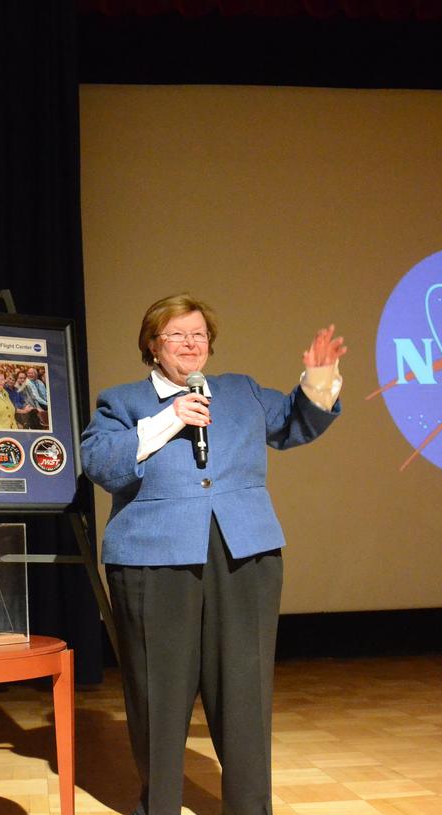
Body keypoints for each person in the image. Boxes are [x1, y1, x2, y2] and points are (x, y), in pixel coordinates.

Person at [80, 293, 344, 815]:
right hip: (153, 559)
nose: (190, 344)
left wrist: (319, 379)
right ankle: (159, 807)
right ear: (153, 345)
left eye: (199, 334)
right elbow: (100, 462)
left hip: (244, 554)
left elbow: (297, 421)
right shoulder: (123, 401)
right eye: (177, 335)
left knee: (244, 692)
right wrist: (170, 418)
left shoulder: (241, 391)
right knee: (159, 692)